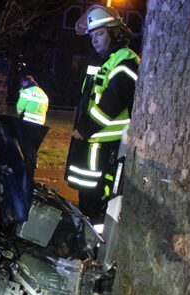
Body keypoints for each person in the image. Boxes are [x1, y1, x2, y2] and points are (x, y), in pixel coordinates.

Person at [64, 5, 139, 224]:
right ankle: (86, 237)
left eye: (99, 34)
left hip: (105, 146)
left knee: (98, 202)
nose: (94, 40)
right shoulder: (106, 61)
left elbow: (111, 104)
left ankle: (95, 246)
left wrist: (84, 128)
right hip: (93, 145)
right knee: (87, 200)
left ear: (115, 32)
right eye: (92, 36)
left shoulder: (126, 61)